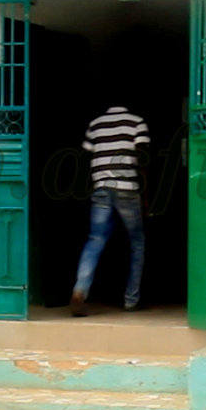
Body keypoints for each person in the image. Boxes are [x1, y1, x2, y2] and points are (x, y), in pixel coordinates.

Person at [70, 104, 151, 316]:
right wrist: (145, 196)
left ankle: (80, 290)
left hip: (101, 188)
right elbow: (142, 159)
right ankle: (131, 300)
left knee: (95, 240)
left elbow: (86, 157)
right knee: (137, 243)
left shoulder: (95, 124)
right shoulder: (137, 122)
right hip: (127, 189)